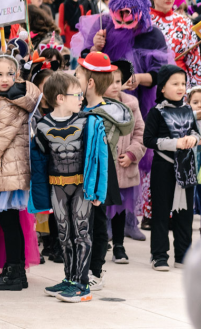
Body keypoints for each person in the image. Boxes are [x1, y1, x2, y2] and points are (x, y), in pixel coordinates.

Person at [30, 72, 108, 303]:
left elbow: (101, 159)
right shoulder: (42, 126)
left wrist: (99, 191)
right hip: (57, 187)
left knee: (82, 233)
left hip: (82, 188)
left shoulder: (89, 122)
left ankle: (82, 284)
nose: (81, 98)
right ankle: (70, 279)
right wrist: (40, 196)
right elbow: (39, 162)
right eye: (77, 94)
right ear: (60, 98)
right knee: (64, 235)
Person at [0, 54, 41, 291]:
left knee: (10, 223)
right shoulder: (4, 97)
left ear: (17, 75)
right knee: (9, 222)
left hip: (8, 168)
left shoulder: (8, 101)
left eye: (9, 74)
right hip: (10, 168)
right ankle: (16, 272)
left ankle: (15, 273)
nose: (4, 79)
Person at [76, 52, 133, 290]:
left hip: (99, 171)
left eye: (77, 74)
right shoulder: (77, 107)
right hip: (79, 171)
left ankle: (95, 271)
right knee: (79, 221)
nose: (74, 77)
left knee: (96, 222)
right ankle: (80, 268)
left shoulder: (107, 113)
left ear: (90, 82)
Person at [144, 64, 200, 271]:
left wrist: (193, 139)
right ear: (162, 88)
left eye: (183, 83)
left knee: (184, 214)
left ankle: (183, 255)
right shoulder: (156, 112)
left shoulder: (187, 110)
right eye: (174, 83)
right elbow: (148, 139)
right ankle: (159, 256)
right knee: (160, 213)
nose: (180, 88)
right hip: (163, 167)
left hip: (186, 168)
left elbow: (195, 132)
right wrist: (174, 143)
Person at [104, 61, 146, 264]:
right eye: (110, 82)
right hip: (102, 166)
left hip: (122, 166)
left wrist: (132, 153)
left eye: (118, 81)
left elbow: (140, 132)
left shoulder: (131, 104)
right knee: (99, 207)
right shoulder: (96, 105)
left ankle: (119, 245)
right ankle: (102, 240)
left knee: (119, 208)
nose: (114, 86)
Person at [150, 0, 201, 86]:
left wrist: (195, 89)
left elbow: (194, 60)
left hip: (181, 84)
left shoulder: (184, 21)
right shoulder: (143, 21)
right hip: (153, 83)